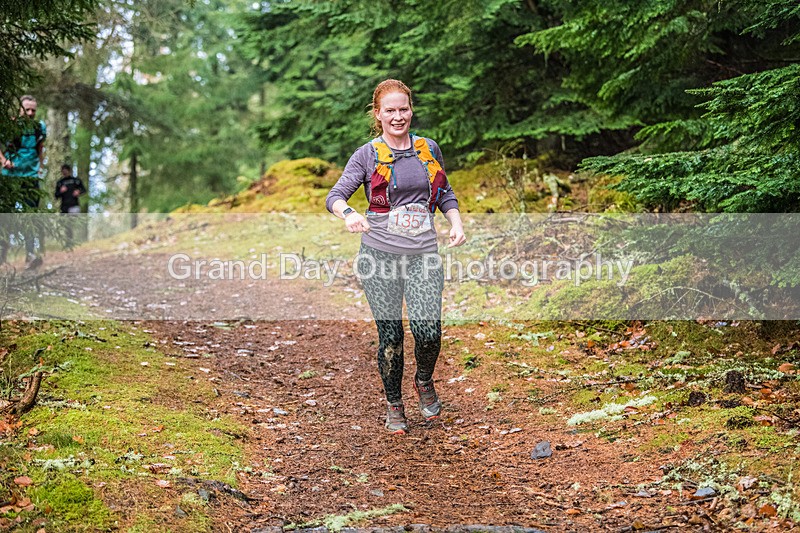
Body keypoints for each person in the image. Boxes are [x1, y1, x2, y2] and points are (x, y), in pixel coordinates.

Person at [326, 79, 466, 434]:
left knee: (429, 332)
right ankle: (394, 403)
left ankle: (423, 380)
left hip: (424, 255)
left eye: (403, 109)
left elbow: (444, 192)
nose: (398, 116)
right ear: (378, 114)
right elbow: (336, 195)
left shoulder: (427, 148)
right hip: (380, 257)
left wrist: (456, 222)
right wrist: (350, 214)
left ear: (411, 110)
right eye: (390, 110)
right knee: (391, 337)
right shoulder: (367, 154)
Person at [0, 95, 46, 265]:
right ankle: (2, 255)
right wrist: (4, 161)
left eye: (33, 109)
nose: (31, 112)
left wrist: (40, 167)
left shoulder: (40, 127)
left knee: (30, 217)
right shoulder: (10, 125)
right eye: (27, 109)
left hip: (31, 177)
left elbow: (40, 148)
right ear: (21, 109)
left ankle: (30, 255)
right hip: (10, 177)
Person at [54, 163, 86, 245]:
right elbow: (56, 195)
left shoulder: (76, 180)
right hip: (64, 206)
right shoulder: (60, 183)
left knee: (73, 222)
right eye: (63, 172)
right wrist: (61, 191)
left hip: (74, 205)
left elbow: (84, 190)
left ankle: (77, 239)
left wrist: (78, 191)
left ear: (69, 171)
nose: (64, 173)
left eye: (66, 171)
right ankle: (69, 241)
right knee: (66, 224)